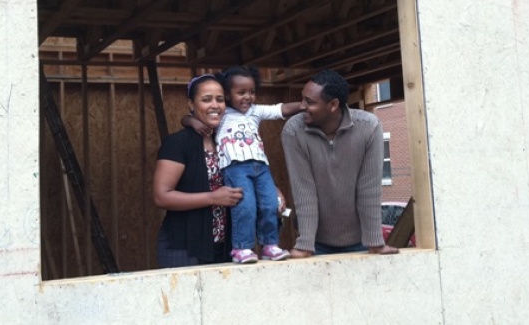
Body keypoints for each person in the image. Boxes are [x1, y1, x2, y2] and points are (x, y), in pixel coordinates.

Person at [183, 66, 299, 264]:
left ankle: (269, 245)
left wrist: (305, 105)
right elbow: (186, 118)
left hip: (261, 167)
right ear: (227, 95)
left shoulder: (255, 111)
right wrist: (194, 123)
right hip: (235, 167)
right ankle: (242, 248)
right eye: (241, 92)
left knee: (271, 204)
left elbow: (281, 109)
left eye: (252, 92)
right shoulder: (221, 114)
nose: (248, 97)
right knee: (246, 206)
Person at [281, 70, 399, 258]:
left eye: (310, 102)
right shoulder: (294, 131)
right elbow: (304, 190)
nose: (302, 106)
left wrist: (375, 242)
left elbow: (369, 188)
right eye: (302, 99)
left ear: (333, 105)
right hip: (316, 244)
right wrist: (304, 245)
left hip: (360, 242)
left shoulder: (369, 127)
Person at [152, 74, 243, 268]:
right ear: (191, 104)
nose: (215, 105)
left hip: (225, 247)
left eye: (220, 99)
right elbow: (161, 196)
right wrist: (212, 198)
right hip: (184, 247)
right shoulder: (178, 143)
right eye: (206, 99)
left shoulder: (228, 140)